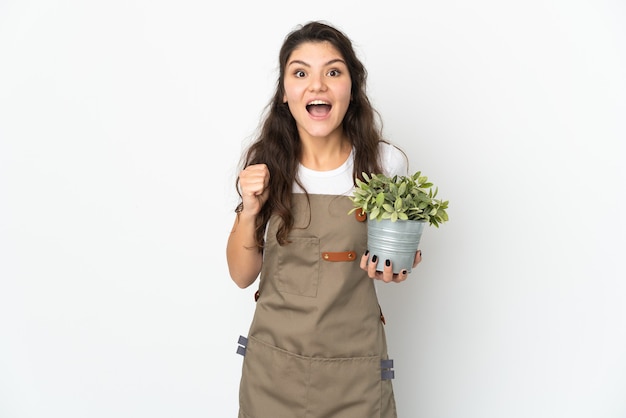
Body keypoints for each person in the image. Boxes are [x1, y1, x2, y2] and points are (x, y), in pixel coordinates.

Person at [227, 21, 422, 418]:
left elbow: (393, 253)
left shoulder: (385, 164)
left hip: (356, 371)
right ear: (285, 92)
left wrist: (396, 266)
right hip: (273, 372)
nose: (317, 85)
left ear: (353, 85)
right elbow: (241, 275)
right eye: (301, 73)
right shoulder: (266, 163)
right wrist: (249, 209)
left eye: (333, 72)